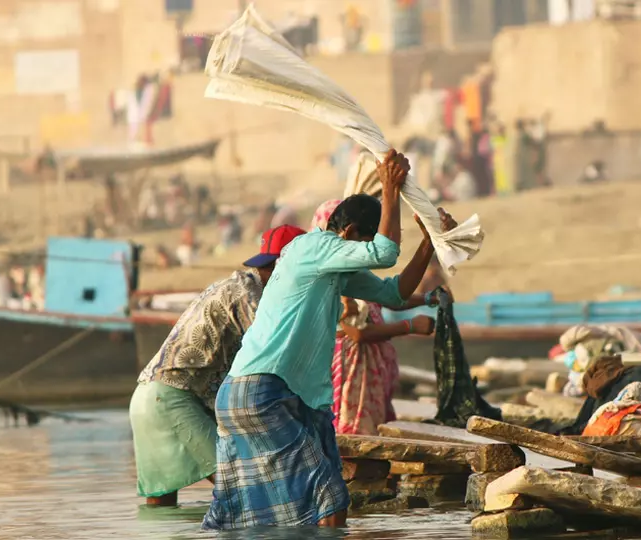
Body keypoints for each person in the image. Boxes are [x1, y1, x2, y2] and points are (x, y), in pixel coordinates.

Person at [202, 149, 458, 531]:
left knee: (257, 514)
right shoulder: (313, 247)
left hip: (270, 394)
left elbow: (394, 293)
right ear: (349, 234)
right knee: (329, 498)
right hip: (262, 392)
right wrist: (389, 187)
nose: (364, 254)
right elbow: (385, 253)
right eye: (363, 244)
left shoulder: (331, 267)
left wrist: (428, 243)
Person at [130, 224, 306, 507]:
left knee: (161, 509)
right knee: (241, 488)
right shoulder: (248, 296)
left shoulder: (237, 285)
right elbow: (274, 354)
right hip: (173, 397)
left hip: (148, 395)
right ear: (282, 265)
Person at [309, 200, 439, 436]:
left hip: (370, 368)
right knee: (353, 434)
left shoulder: (352, 271)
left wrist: (427, 298)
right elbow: (357, 333)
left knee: (371, 432)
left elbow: (389, 296)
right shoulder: (329, 272)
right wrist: (409, 326)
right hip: (352, 369)